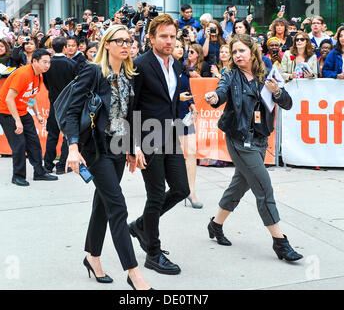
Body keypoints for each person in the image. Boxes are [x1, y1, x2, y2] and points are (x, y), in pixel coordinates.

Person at [65, 25, 152, 290]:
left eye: (129, 40)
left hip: (117, 148)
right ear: (107, 44)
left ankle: (92, 257)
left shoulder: (130, 74)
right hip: (96, 149)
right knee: (118, 206)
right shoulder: (93, 71)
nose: (126, 45)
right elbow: (72, 111)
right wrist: (72, 147)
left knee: (102, 204)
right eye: (120, 41)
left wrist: (133, 147)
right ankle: (134, 273)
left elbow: (129, 114)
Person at [205, 34, 303, 262]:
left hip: (260, 140)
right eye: (234, 52)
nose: (237, 55)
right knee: (263, 188)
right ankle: (280, 242)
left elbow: (287, 103)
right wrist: (214, 97)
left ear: (252, 51)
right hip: (239, 139)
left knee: (239, 186)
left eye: (241, 51)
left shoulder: (265, 74)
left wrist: (277, 90)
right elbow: (221, 92)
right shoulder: (230, 74)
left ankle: (215, 225)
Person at [127, 14, 190, 275]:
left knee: (181, 188)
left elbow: (170, 99)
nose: (169, 41)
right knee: (155, 195)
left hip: (170, 135)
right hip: (147, 137)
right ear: (151, 38)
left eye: (172, 36)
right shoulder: (140, 64)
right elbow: (130, 108)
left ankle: (142, 225)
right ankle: (152, 253)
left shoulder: (175, 64)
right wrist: (133, 146)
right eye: (163, 36)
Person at [0, 48, 58, 186]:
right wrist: (17, 121)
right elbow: (9, 99)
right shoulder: (23, 74)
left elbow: (31, 96)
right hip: (7, 113)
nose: (47, 65)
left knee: (34, 143)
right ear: (34, 61)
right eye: (44, 62)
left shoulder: (39, 75)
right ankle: (18, 176)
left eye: (49, 62)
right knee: (19, 145)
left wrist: (37, 114)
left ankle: (39, 172)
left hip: (23, 112)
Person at [172, 39, 202, 209]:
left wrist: (193, 106)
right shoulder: (164, 68)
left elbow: (188, 90)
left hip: (185, 115)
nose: (180, 49)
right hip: (167, 116)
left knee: (191, 152)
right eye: (176, 47)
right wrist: (177, 98)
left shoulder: (183, 68)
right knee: (167, 154)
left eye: (181, 47)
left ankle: (191, 191)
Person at [43, 37, 76, 175]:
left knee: (52, 135)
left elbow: (45, 83)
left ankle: (48, 165)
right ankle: (63, 165)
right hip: (69, 104)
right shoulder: (72, 64)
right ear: (64, 48)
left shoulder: (48, 64)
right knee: (67, 136)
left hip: (54, 103)